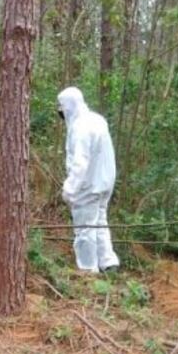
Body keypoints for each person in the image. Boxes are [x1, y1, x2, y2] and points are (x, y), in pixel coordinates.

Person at [57, 86, 120, 273]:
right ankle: (108, 262)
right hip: (105, 182)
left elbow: (80, 163)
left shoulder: (80, 129)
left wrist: (69, 189)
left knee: (85, 229)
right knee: (99, 221)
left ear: (68, 107)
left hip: (89, 185)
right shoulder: (97, 120)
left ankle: (88, 270)